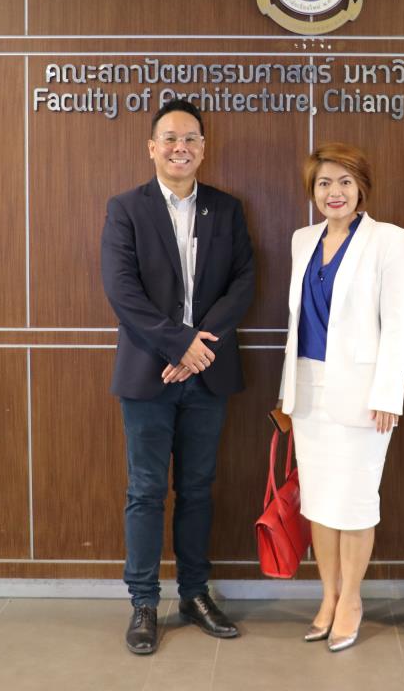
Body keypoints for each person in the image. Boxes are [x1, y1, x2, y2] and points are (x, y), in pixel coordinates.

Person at [100, 98, 255, 655]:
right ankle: (144, 602)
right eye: (169, 138)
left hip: (206, 373)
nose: (179, 147)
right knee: (145, 490)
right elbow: (121, 290)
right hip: (149, 374)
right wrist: (177, 343)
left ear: (203, 149)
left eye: (190, 138)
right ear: (152, 147)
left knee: (196, 488)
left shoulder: (226, 209)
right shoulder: (126, 209)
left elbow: (244, 280)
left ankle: (194, 594)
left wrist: (198, 346)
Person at [277, 142, 404, 653]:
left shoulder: (389, 240)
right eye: (323, 183)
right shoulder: (303, 239)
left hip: (363, 396)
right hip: (308, 390)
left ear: (361, 188)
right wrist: (287, 393)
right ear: (312, 191)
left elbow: (397, 324)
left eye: (344, 182)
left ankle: (352, 600)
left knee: (354, 503)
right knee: (319, 502)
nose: (334, 192)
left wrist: (389, 393)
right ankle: (328, 597)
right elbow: (297, 323)